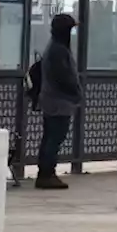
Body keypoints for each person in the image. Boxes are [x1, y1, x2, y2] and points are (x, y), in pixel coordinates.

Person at [37, 13, 81, 190]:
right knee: (54, 138)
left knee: (50, 137)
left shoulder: (55, 47)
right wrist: (76, 92)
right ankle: (47, 174)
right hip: (58, 101)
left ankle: (45, 173)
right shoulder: (58, 50)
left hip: (52, 99)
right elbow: (64, 77)